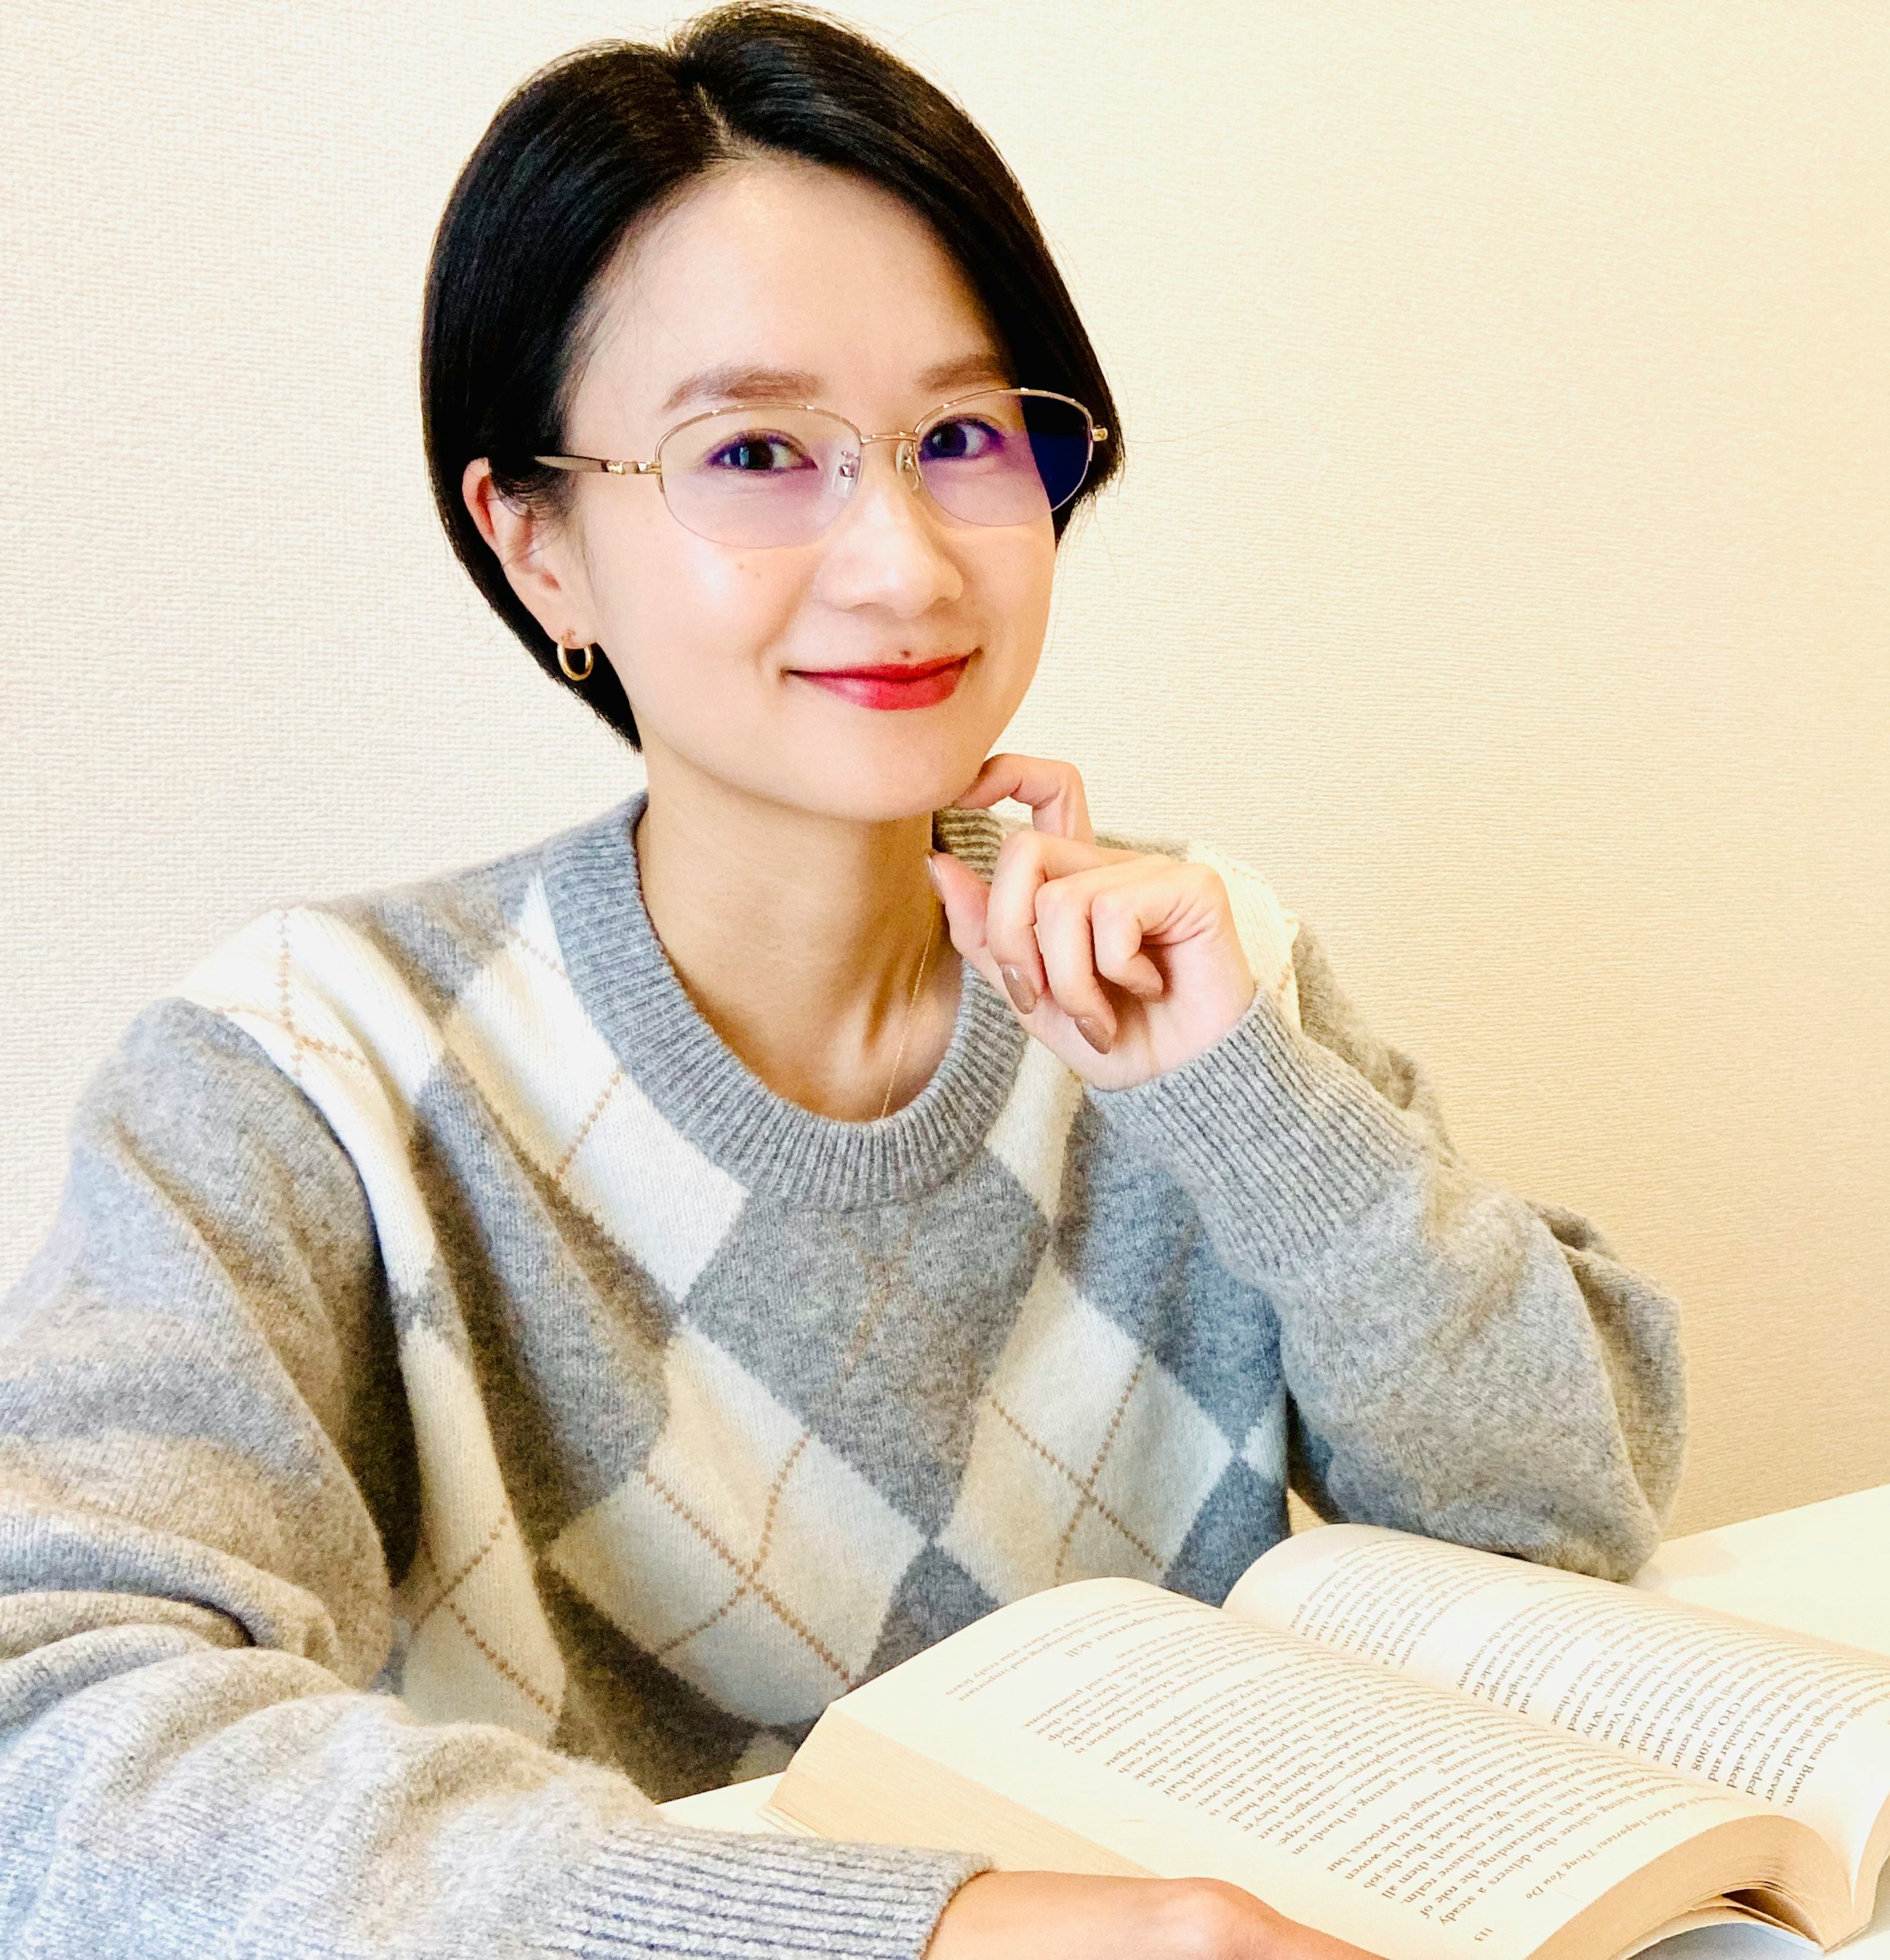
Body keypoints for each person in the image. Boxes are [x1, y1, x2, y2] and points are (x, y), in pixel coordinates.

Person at [0, 7, 1686, 1956]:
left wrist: (1244, 1095)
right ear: (537, 544)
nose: (900, 560)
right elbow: (52, 1742)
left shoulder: (1189, 969)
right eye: (755, 453)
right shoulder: (308, 1073)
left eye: (962, 438)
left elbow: (1568, 1518)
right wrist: (944, 1937)